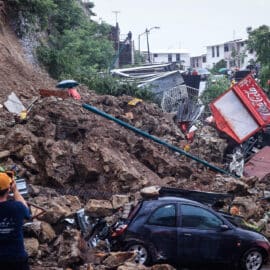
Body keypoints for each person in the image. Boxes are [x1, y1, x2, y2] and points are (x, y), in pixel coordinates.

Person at [0, 172, 31, 270]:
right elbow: (27, 213)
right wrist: (16, 191)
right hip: (17, 259)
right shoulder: (17, 207)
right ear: (8, 189)